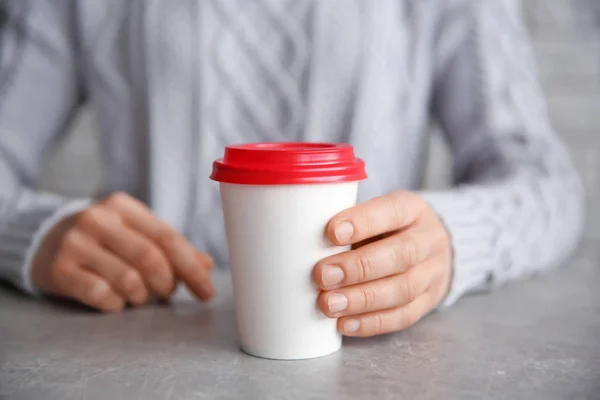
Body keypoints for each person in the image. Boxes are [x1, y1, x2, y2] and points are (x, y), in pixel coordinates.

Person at [0, 0, 584, 337]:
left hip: (368, 357)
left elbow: (545, 179)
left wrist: (453, 239)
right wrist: (30, 229)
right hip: (136, 342)